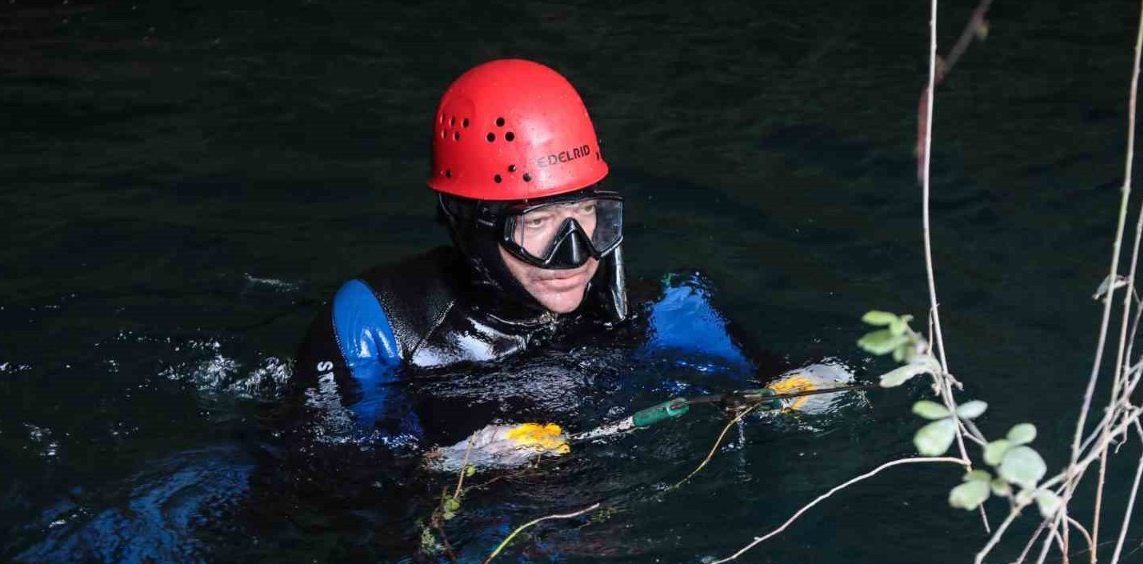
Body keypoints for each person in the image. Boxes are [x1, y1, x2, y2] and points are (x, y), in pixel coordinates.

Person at [296, 58, 820, 470]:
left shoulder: (635, 307)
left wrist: (804, 381)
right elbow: (333, 474)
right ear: (469, 224)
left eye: (585, 213)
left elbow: (773, 375)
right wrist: (440, 465)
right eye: (538, 222)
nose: (575, 255)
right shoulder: (378, 321)